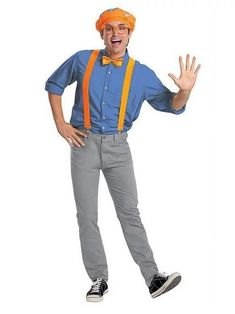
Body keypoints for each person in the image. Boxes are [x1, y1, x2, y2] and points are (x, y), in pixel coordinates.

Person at [45, 7, 200, 302]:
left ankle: (153, 278)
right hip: (83, 144)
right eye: (109, 28)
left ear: (129, 34)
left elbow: (172, 105)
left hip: (119, 147)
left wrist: (186, 92)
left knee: (130, 214)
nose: (115, 33)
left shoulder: (140, 73)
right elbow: (53, 85)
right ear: (102, 33)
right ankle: (98, 278)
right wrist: (61, 124)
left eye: (121, 28)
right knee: (87, 215)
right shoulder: (82, 59)